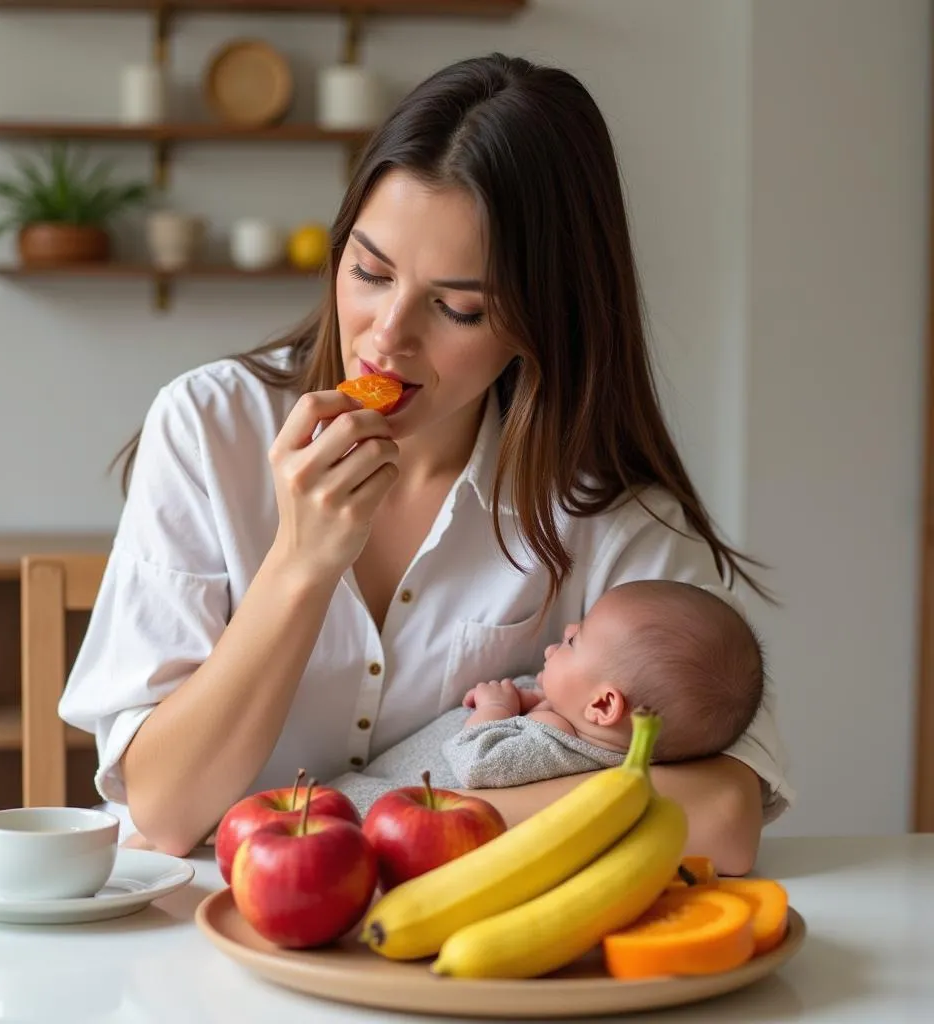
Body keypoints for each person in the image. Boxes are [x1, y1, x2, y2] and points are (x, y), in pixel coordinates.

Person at [58, 52, 794, 874]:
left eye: (458, 307)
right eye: (369, 272)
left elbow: (725, 814)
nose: (385, 336)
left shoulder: (610, 514)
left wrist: (377, 828)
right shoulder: (210, 427)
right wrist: (301, 565)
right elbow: (163, 811)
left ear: (542, 319)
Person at [328, 579, 765, 813]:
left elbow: (477, 764)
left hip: (381, 803)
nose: (567, 633)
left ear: (603, 705)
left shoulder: (555, 736)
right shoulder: (578, 733)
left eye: (576, 641)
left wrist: (496, 710)